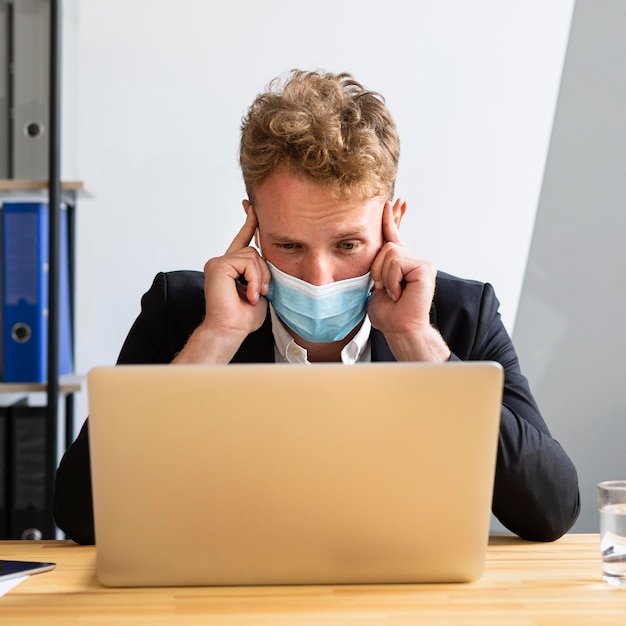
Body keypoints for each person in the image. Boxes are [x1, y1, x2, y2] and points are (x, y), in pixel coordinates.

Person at [54, 69, 580, 545]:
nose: (319, 278)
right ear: (253, 224)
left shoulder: (459, 315)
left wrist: (419, 344)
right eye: (289, 246)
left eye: (348, 245)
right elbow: (80, 514)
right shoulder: (183, 313)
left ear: (391, 221)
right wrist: (214, 341)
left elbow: (551, 509)